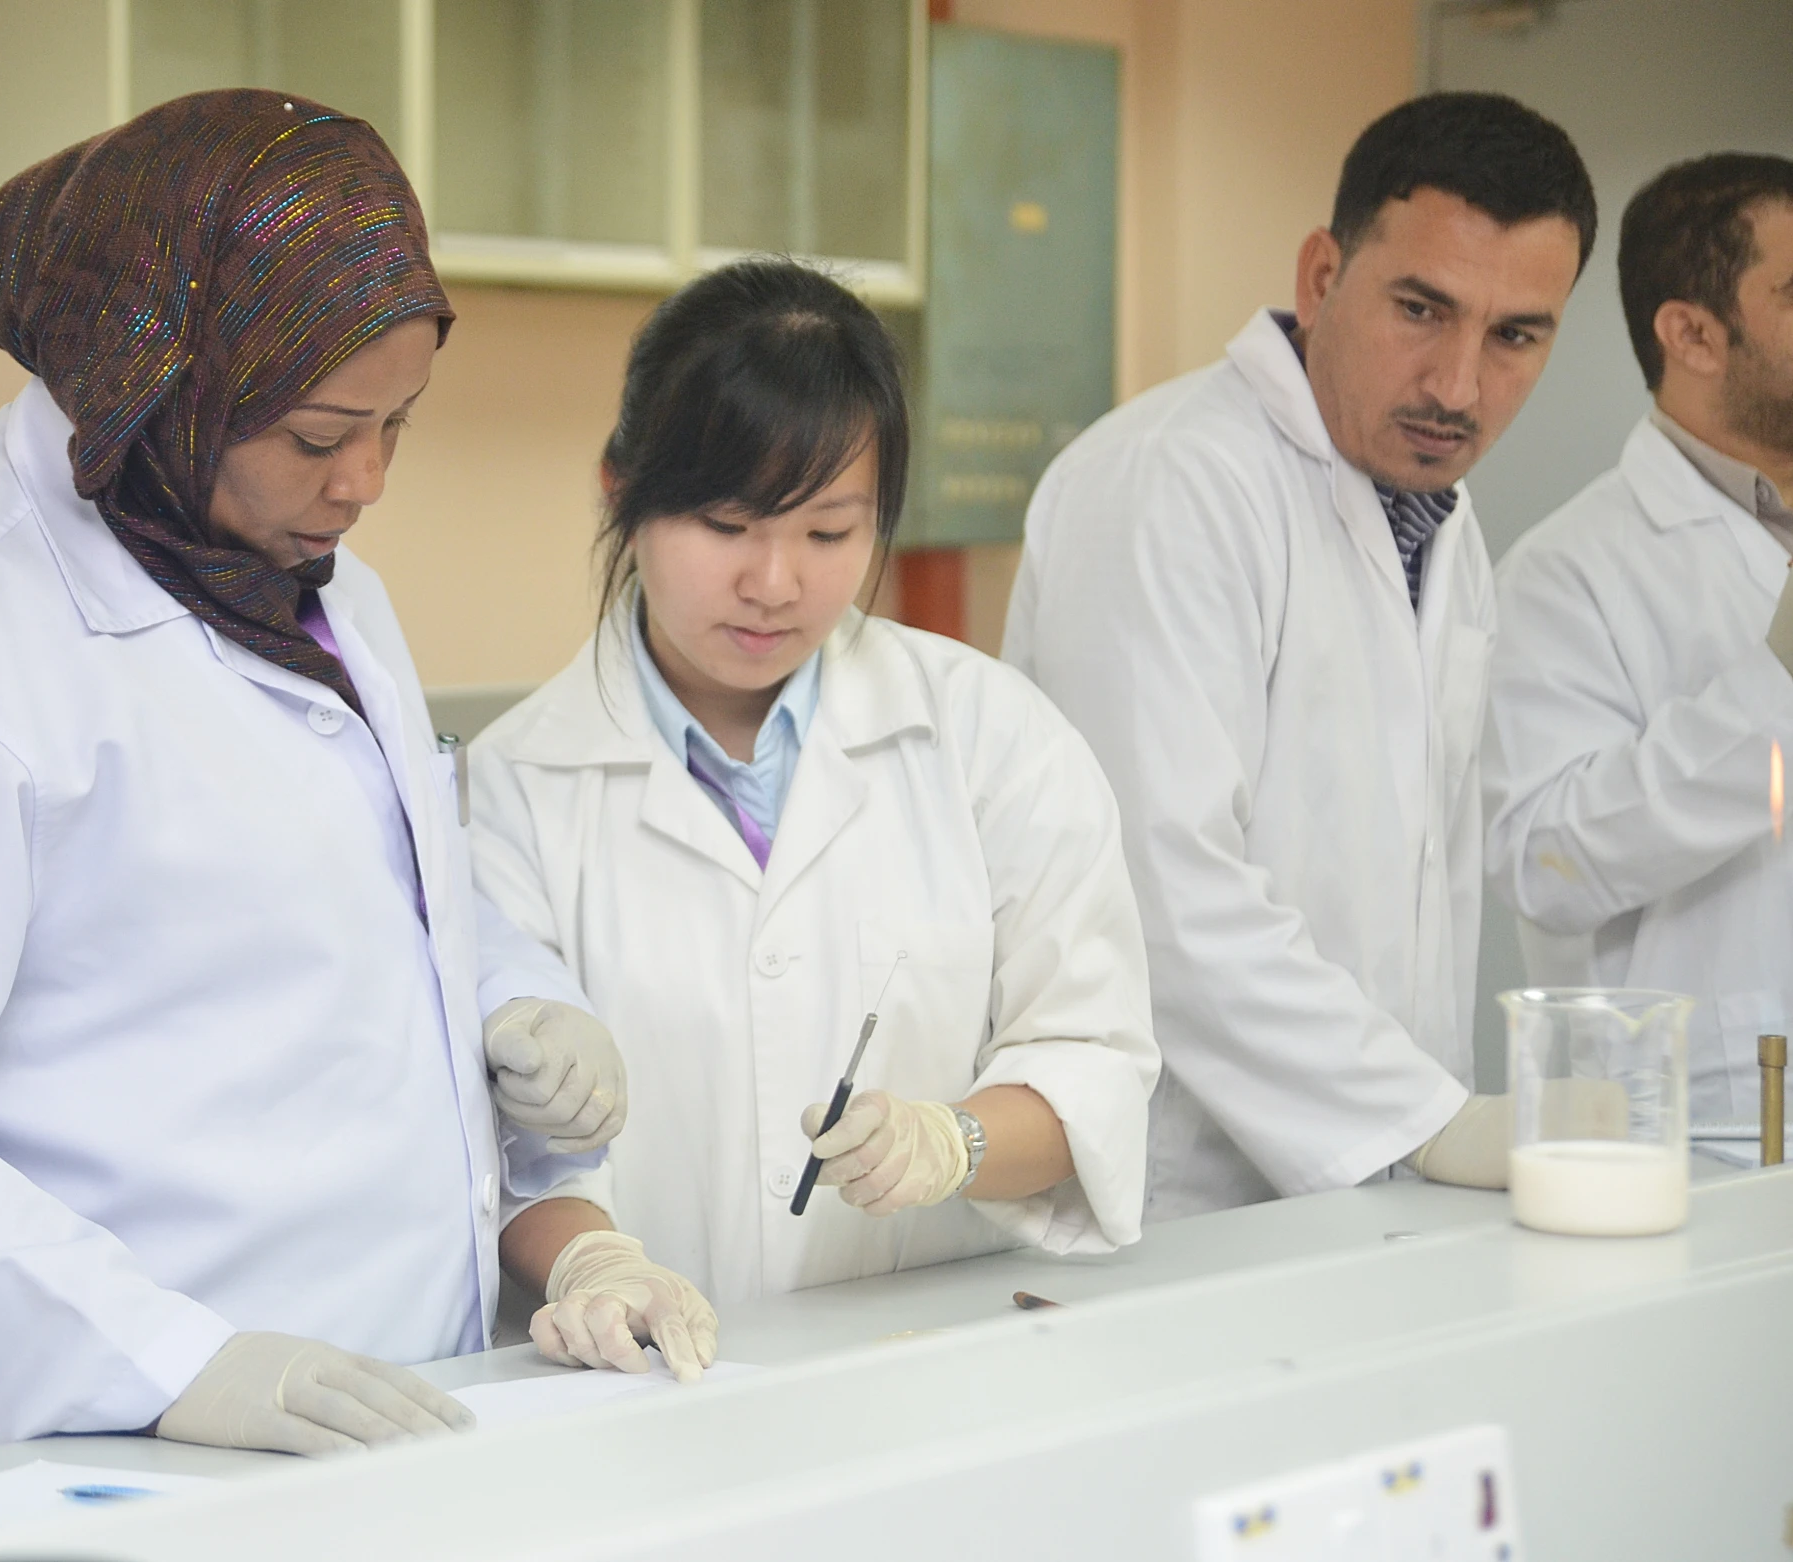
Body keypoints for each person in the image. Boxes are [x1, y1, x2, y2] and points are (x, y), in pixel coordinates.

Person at [0, 91, 710, 1485]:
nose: (364, 482)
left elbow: (361, 895)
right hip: (58, 1456)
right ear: (152, 377)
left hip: (351, 1432)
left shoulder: (298, 581)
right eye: (312, 431)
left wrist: (504, 996)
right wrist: (164, 1360)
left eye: (396, 426)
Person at [467, 259, 1159, 1316]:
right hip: (642, 1392)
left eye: (829, 531)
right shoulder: (515, 788)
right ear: (622, 491)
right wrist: (594, 1268)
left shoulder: (988, 734)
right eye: (727, 525)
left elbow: (1092, 1055)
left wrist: (954, 1140)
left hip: (937, 1368)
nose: (775, 582)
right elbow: (501, 1141)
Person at [1003, 93, 1596, 1219]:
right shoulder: (1171, 484)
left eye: (1516, 334)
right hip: (1170, 1200)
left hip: (1368, 1185)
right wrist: (1416, 1118)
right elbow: (1159, 887)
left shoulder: (1435, 515)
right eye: (1421, 308)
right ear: (1322, 274)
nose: (1459, 385)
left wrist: (1417, 1117)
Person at [1486, 154, 1793, 1132]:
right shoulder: (1564, 574)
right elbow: (1541, 860)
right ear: (1692, 333)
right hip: (1723, 1112)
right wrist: (1775, 675)